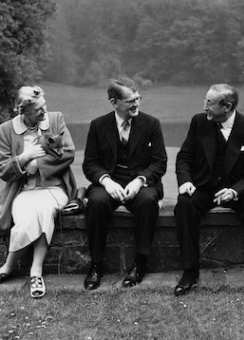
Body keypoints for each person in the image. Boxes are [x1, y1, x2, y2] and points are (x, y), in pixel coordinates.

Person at [173, 83, 244, 296]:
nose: (204, 106)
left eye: (209, 103)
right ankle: (190, 271)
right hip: (205, 187)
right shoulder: (199, 122)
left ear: (227, 106)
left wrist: (235, 191)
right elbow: (184, 157)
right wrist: (185, 181)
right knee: (185, 204)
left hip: (240, 189)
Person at [0, 85, 77, 298]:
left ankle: (10, 268)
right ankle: (33, 273)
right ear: (22, 111)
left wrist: (38, 164)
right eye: (38, 110)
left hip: (54, 188)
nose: (44, 112)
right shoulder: (5, 129)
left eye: (44, 106)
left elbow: (68, 153)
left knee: (43, 209)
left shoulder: (55, 118)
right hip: (22, 191)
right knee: (30, 215)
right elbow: (4, 171)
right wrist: (24, 158)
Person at [82, 77, 167, 290]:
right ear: (114, 102)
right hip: (110, 181)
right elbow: (90, 164)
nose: (136, 104)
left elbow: (159, 162)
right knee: (97, 203)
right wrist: (106, 181)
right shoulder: (98, 126)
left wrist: (140, 181)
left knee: (148, 201)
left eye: (138, 99)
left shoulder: (151, 124)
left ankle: (140, 263)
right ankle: (96, 264)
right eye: (130, 101)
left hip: (141, 182)